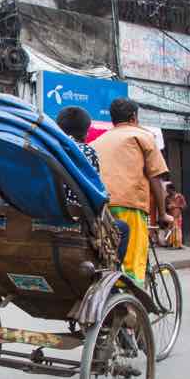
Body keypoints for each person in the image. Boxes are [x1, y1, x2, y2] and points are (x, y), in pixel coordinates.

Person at [93, 98, 173, 287]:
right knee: (131, 263)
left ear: (113, 120)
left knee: (108, 257)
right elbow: (155, 177)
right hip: (130, 205)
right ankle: (131, 306)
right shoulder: (143, 136)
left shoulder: (97, 141)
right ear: (134, 117)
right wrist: (162, 214)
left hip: (101, 207)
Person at [56, 106, 129, 266]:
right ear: (86, 132)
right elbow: (92, 191)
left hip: (48, 215)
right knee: (122, 229)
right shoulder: (86, 151)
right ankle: (111, 273)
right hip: (77, 220)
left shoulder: (49, 149)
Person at [165, 183, 187, 249]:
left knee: (177, 229)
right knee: (170, 229)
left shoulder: (179, 196)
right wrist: (168, 207)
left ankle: (177, 244)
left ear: (171, 189)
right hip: (170, 216)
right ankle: (171, 244)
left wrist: (175, 206)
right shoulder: (167, 198)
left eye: (167, 189)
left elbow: (184, 206)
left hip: (178, 216)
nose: (166, 191)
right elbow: (165, 207)